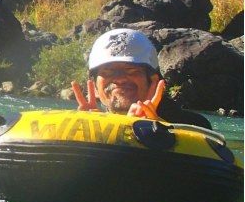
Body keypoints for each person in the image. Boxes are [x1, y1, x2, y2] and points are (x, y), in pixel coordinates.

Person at [71, 28, 212, 129]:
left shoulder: (193, 125)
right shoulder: (89, 125)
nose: (119, 79)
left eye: (131, 71)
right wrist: (88, 131)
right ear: (95, 88)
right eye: (108, 72)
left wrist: (153, 131)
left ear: (154, 81)